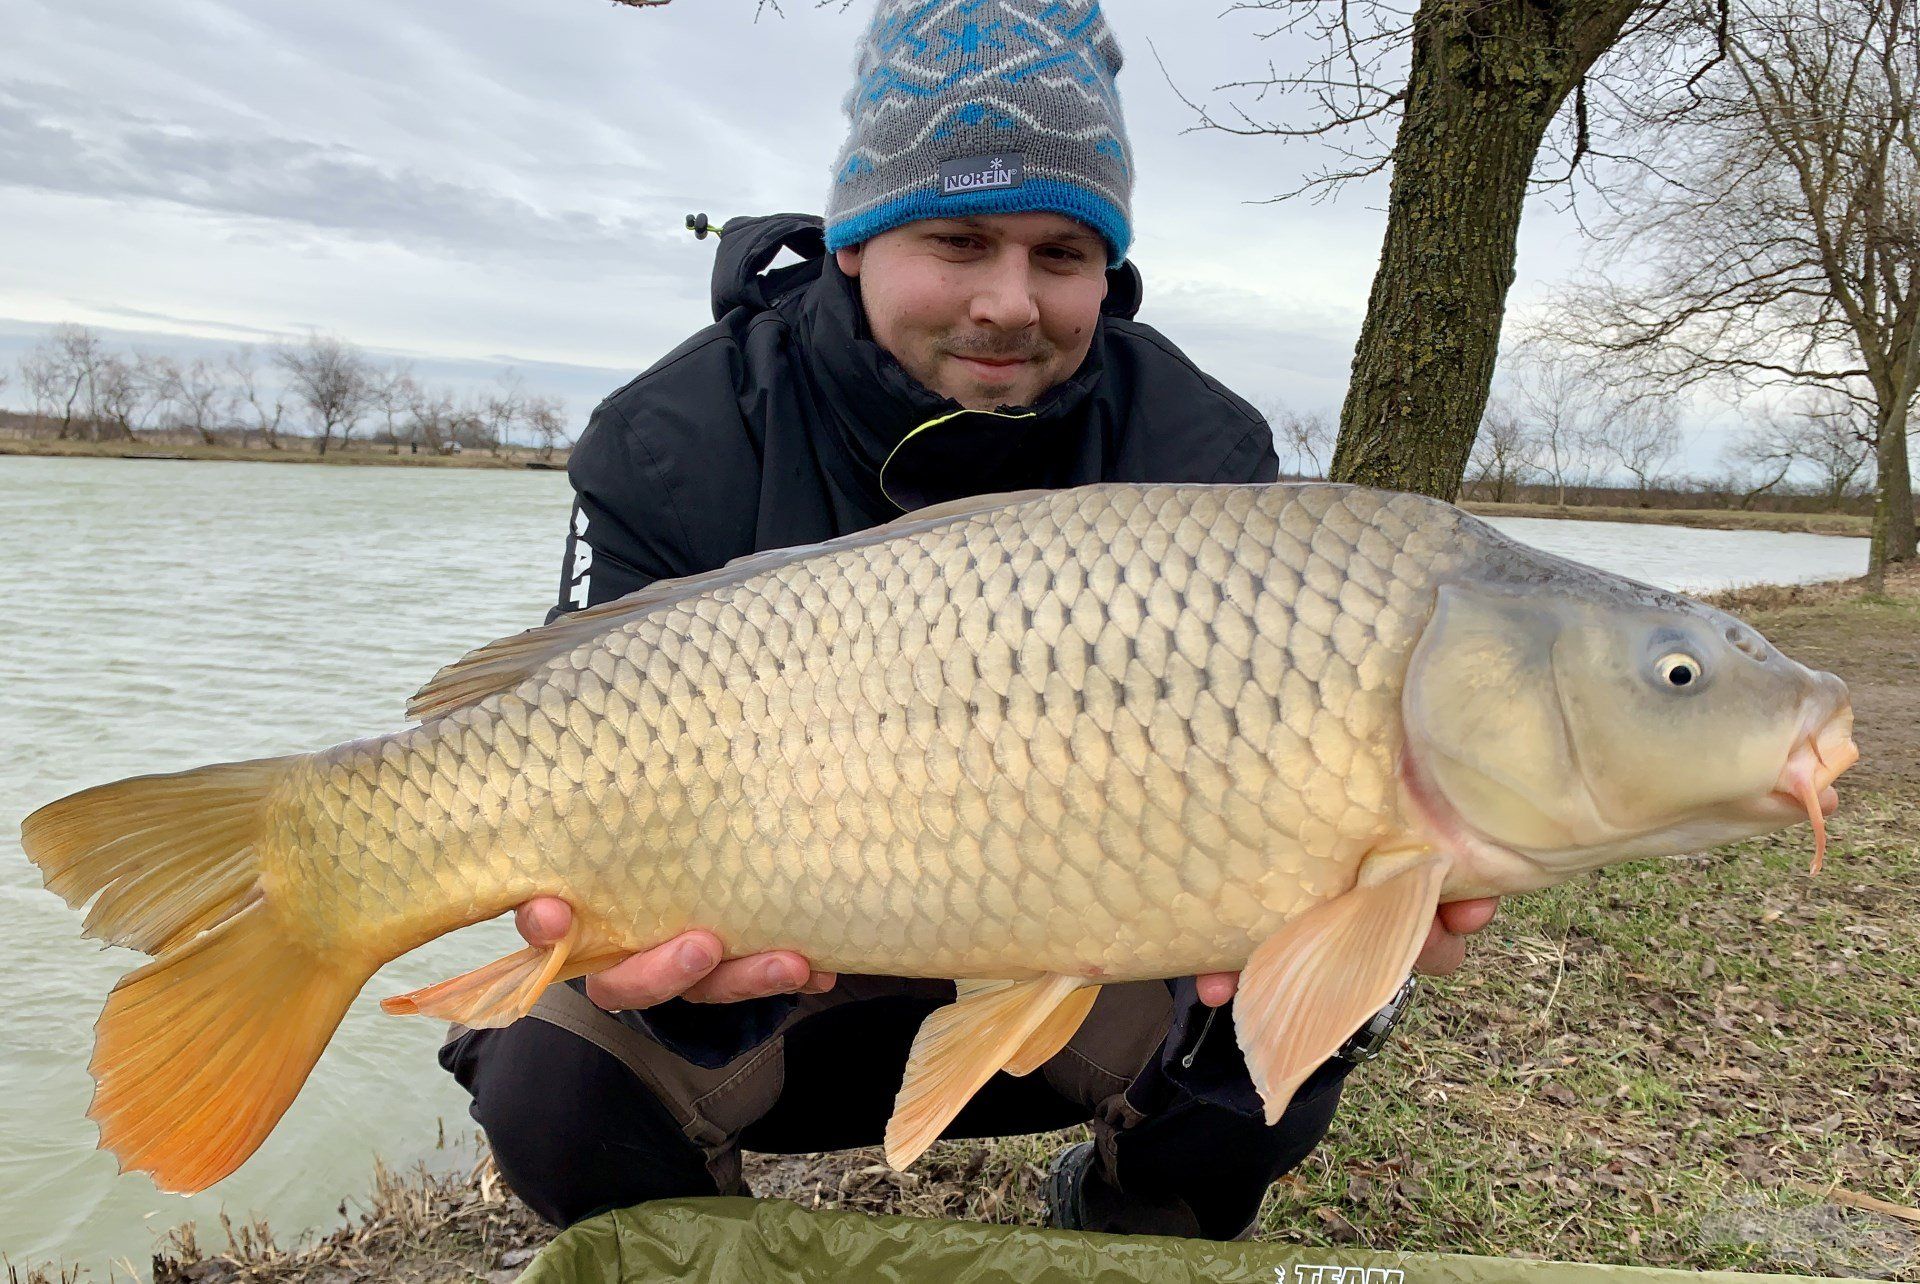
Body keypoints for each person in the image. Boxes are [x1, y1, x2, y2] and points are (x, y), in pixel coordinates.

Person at [440, 0, 1496, 1242]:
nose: (1011, 302)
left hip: (1075, 949)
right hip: (781, 980)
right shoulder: (673, 439)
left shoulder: (1198, 448)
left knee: (1293, 1032)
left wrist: (1338, 900)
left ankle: (1135, 1227)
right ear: (852, 240)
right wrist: (648, 966)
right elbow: (561, 734)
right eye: (958, 239)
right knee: (549, 1074)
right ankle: (709, 1261)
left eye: (1062, 256)